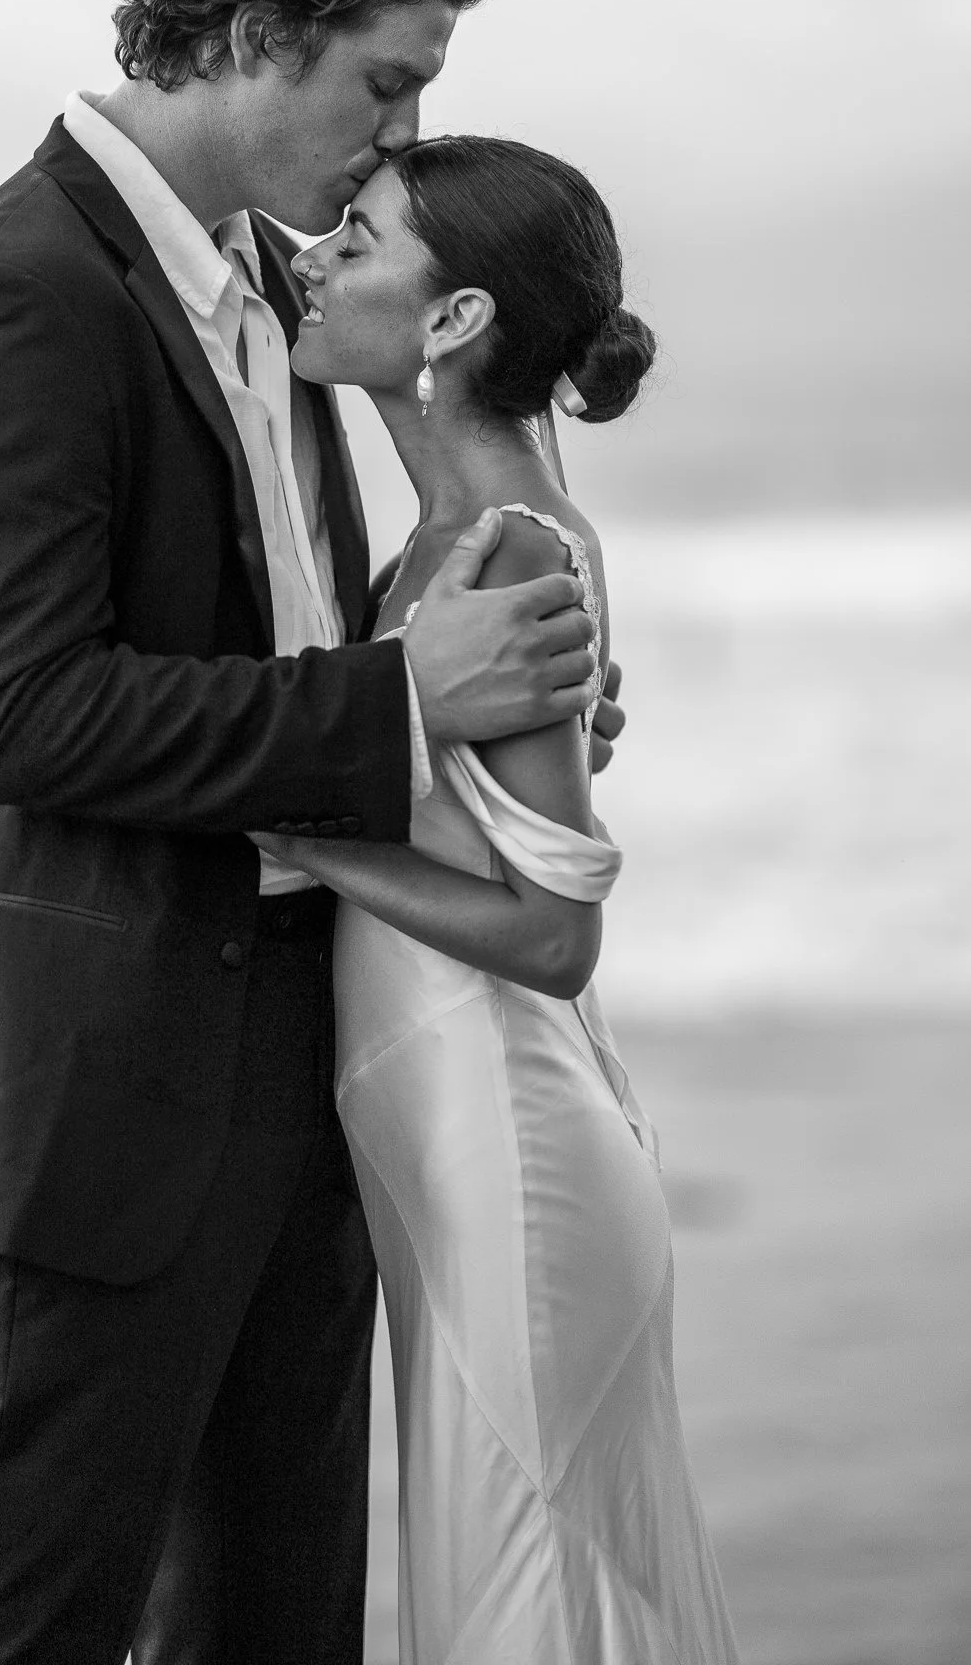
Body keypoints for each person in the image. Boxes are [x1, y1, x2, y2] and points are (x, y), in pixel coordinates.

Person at [0, 0, 625, 1663]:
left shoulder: (284, 288)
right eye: (387, 80)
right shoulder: (14, 292)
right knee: (38, 1626)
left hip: (315, 1060)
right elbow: (23, 712)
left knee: (273, 1630)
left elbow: (292, 640)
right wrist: (410, 704)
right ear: (253, 27)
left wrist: (487, 721)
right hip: (88, 1092)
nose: (401, 138)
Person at [263, 134, 739, 1662]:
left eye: (362, 236)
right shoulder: (439, 543)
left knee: (529, 1610)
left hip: (514, 1162)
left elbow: (552, 938)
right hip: (447, 1144)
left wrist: (292, 832)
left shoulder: (513, 552)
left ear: (456, 318)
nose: (317, 259)